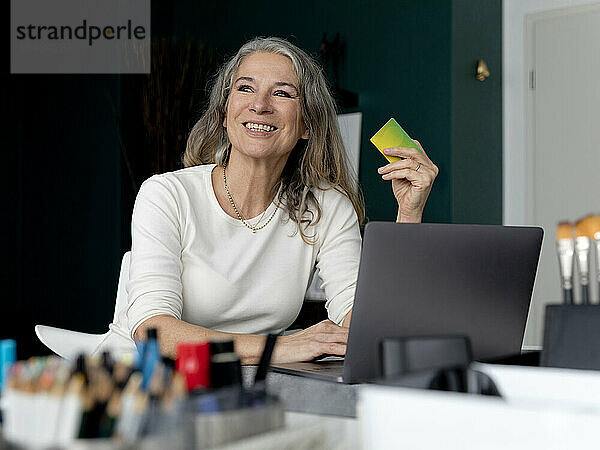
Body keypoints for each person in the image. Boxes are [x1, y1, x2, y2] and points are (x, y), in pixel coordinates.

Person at [125, 37, 438, 364]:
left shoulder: (326, 206)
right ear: (224, 112)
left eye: (282, 93)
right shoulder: (167, 195)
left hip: (251, 384)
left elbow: (368, 327)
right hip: (145, 383)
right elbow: (153, 332)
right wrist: (278, 347)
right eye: (245, 88)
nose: (259, 104)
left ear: (307, 124)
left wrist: (409, 213)